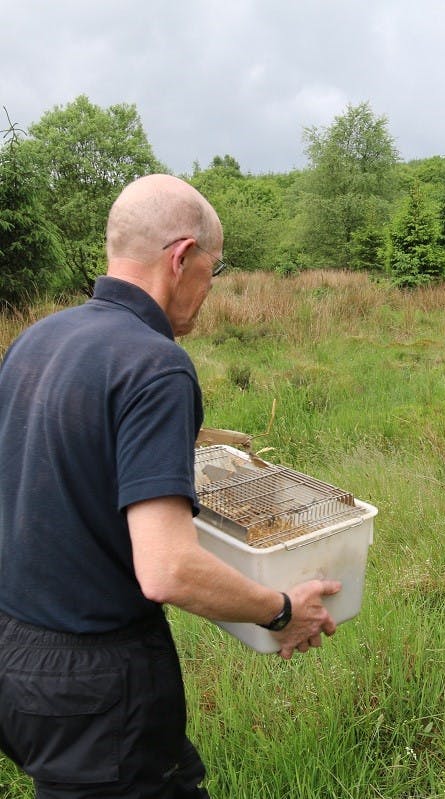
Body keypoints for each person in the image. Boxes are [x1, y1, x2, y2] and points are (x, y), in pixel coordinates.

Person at [0, 174, 341, 798]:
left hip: (15, 656)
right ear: (182, 257)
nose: (209, 292)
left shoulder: (36, 341)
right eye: (213, 271)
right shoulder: (154, 365)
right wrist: (283, 612)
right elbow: (166, 570)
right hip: (98, 680)